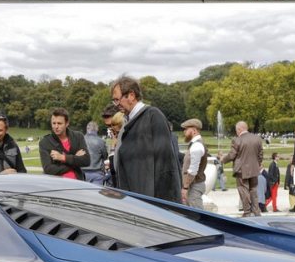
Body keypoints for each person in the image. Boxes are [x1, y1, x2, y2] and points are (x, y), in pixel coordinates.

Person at [109, 75, 181, 203]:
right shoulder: (128, 121)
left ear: (131, 95)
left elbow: (166, 166)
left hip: (151, 203)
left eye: (117, 100)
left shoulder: (153, 116)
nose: (116, 105)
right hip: (135, 200)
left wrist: (164, 205)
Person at [221, 121, 264, 217]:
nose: (236, 132)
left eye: (236, 130)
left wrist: (223, 160)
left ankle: (247, 212)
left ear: (239, 129)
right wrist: (258, 164)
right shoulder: (257, 139)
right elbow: (260, 154)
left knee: (243, 191)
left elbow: (232, 155)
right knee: (253, 190)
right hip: (254, 169)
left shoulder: (237, 140)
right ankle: (256, 212)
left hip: (241, 170)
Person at [38, 108, 89, 180]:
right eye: (54, 123)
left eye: (59, 123)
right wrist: (75, 160)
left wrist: (63, 158)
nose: (56, 127)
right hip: (58, 186)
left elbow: (86, 160)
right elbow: (49, 170)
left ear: (67, 123)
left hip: (78, 184)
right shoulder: (45, 142)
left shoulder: (78, 137)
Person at [179, 118, 207, 209]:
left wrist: (185, 187)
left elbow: (192, 171)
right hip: (193, 186)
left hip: (194, 186)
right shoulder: (194, 144)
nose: (184, 132)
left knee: (198, 217)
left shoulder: (197, 146)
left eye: (186, 129)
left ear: (194, 130)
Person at [82, 121, 109, 186]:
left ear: (87, 129)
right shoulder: (100, 141)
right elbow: (105, 156)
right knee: (95, 194)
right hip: (97, 172)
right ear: (97, 129)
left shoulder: (81, 140)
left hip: (82, 172)